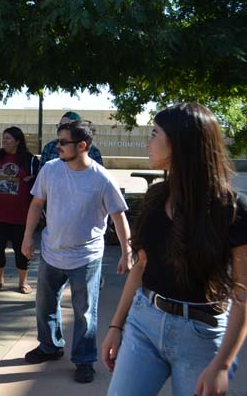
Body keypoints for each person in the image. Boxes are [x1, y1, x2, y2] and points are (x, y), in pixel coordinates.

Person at [101, 103, 247, 396]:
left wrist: (222, 364)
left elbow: (243, 295)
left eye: (154, 134)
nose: (147, 142)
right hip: (144, 324)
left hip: (201, 335)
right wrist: (116, 326)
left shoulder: (231, 210)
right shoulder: (156, 198)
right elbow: (140, 267)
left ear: (180, 143)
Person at [21, 119, 131, 384]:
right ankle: (49, 346)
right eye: (57, 140)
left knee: (84, 312)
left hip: (86, 257)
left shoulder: (101, 178)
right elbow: (37, 204)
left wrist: (127, 251)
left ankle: (84, 360)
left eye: (62, 142)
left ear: (81, 145)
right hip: (51, 252)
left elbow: (119, 216)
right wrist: (27, 237)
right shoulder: (50, 170)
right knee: (45, 305)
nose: (56, 146)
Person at [0, 126, 40, 294]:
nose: (4, 141)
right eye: (3, 138)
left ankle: (23, 282)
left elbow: (40, 182)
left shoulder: (30, 160)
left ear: (18, 141)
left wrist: (32, 179)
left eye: (8, 139)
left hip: (20, 215)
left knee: (22, 251)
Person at [39, 112, 103, 167]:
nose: (61, 130)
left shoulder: (93, 151)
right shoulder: (49, 148)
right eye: (60, 125)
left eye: (66, 127)